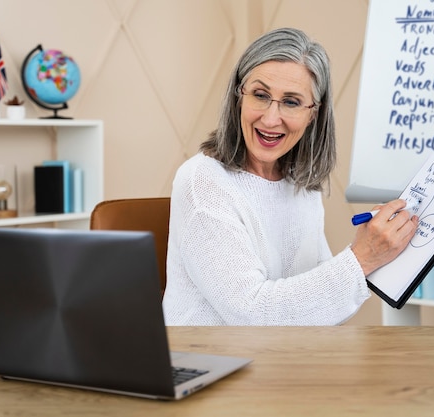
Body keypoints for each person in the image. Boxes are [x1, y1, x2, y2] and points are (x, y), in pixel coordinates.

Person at [162, 27, 418, 325]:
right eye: (260, 95)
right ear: (238, 98)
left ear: (314, 114)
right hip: (212, 362)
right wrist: (362, 258)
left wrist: (373, 250)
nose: (271, 119)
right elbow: (252, 314)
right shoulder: (202, 182)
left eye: (292, 102)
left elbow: (317, 303)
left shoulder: (300, 184)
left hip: (281, 359)